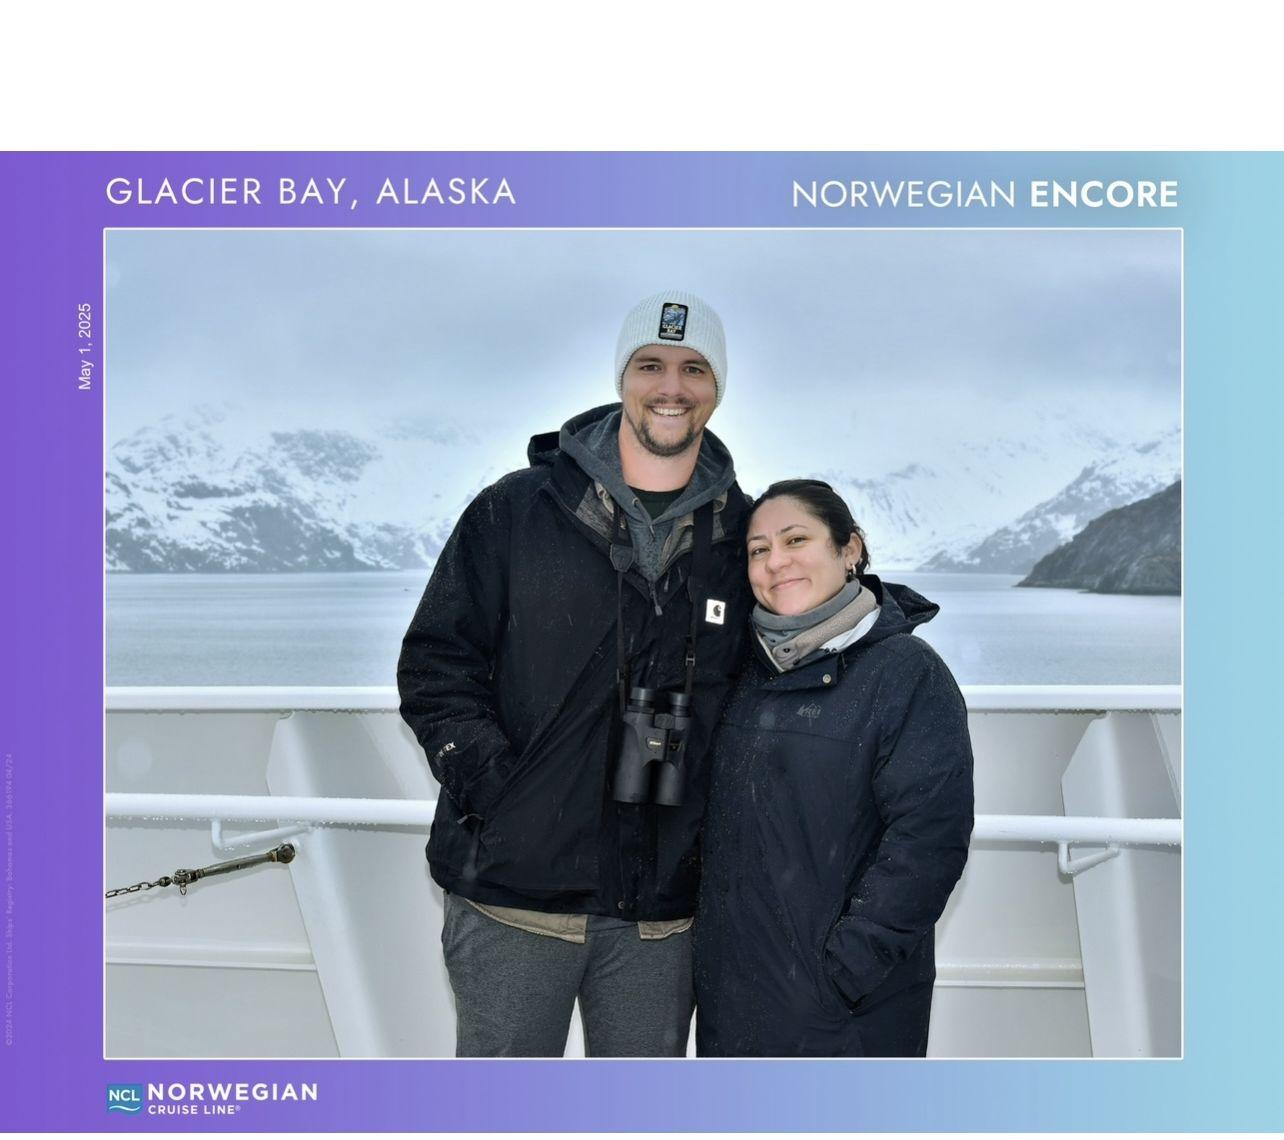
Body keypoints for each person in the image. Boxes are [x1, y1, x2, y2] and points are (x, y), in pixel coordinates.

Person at [398, 291, 753, 1057]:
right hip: (515, 898)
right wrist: (503, 794)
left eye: (694, 369)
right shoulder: (514, 513)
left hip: (662, 911)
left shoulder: (744, 537)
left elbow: (793, 650)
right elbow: (436, 665)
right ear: (622, 378)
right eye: (650, 365)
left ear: (717, 388)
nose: (671, 387)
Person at [694, 479, 974, 1057]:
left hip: (846, 1012)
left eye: (796, 540)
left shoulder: (905, 673)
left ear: (850, 549)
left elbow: (928, 840)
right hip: (733, 1004)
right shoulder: (743, 671)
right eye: (758, 549)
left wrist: (843, 975)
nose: (776, 561)